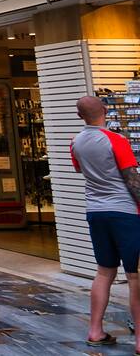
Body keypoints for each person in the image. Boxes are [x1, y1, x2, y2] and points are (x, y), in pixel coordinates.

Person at [71, 95, 140, 350]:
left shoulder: (76, 142)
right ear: (106, 110)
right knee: (135, 276)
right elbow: (131, 178)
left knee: (104, 271)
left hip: (95, 212)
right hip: (125, 212)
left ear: (80, 116)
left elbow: (80, 170)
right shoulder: (116, 140)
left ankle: (95, 330)